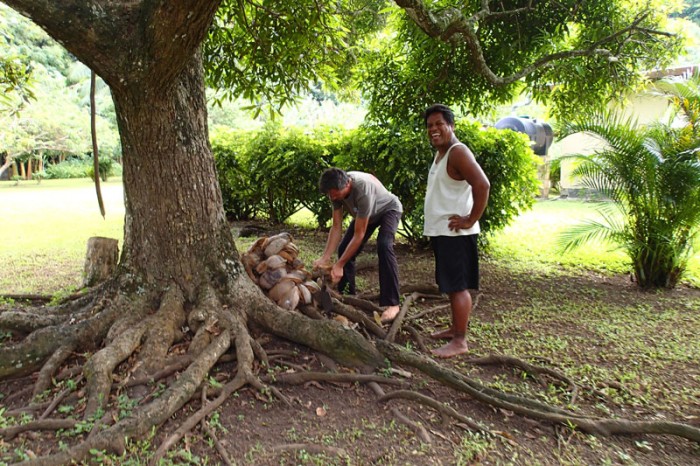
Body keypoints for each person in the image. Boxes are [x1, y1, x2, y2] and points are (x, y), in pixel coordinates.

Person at [423, 104, 490, 358]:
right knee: (451, 284)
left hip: (456, 233)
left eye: (439, 124)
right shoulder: (441, 153)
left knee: (458, 286)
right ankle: (454, 329)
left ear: (451, 126)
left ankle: (460, 340)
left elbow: (482, 184)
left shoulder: (458, 152)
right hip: (443, 231)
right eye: (430, 126)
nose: (434, 129)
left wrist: (471, 219)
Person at [313, 168, 403, 323]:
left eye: (334, 193)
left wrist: (339, 264)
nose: (332, 197)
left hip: (389, 209)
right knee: (343, 248)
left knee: (384, 245)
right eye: (329, 193)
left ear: (347, 184)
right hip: (366, 215)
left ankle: (393, 303)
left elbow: (359, 235)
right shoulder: (336, 189)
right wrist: (325, 258)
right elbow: (336, 227)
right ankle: (348, 297)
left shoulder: (362, 189)